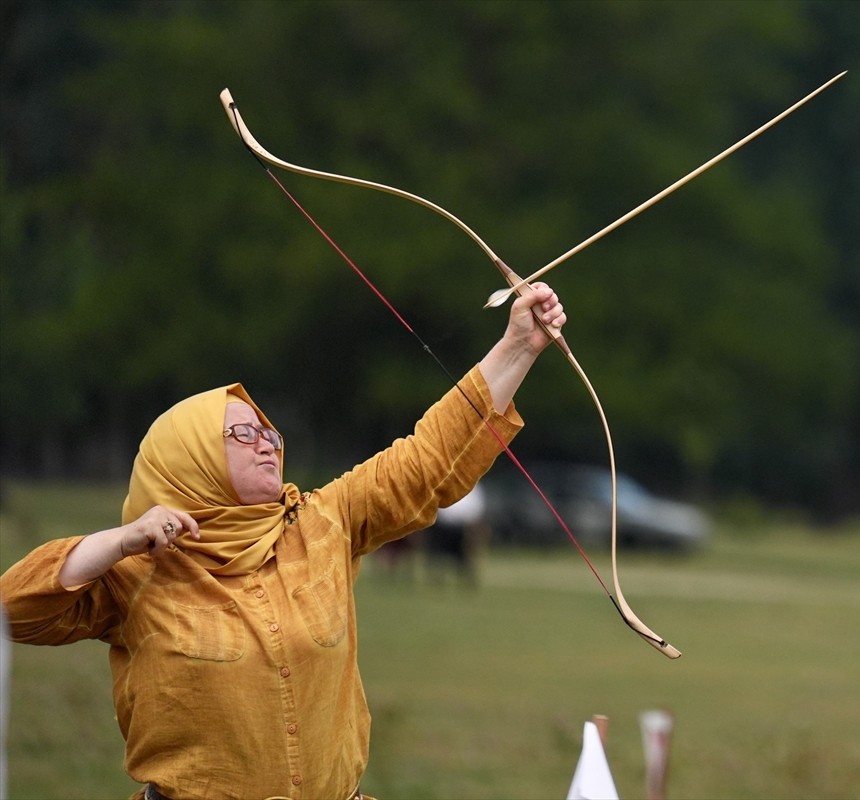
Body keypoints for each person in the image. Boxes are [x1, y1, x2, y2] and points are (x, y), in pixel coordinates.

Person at [0, 283, 567, 800]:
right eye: (242, 434)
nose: (267, 443)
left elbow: (427, 460)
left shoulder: (325, 521)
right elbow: (14, 612)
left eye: (268, 431)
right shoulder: (136, 571)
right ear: (188, 461)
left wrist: (518, 345)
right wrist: (122, 541)